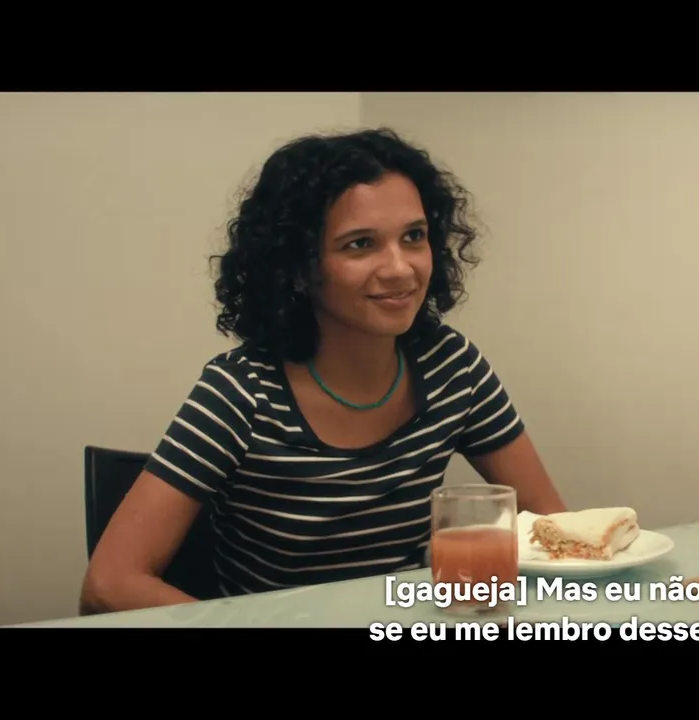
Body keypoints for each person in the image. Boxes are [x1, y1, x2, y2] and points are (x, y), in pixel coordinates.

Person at [80, 128, 567, 614]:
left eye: (413, 237)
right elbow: (109, 583)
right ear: (298, 267)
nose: (400, 268)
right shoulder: (241, 390)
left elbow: (551, 525)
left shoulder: (451, 365)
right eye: (360, 244)